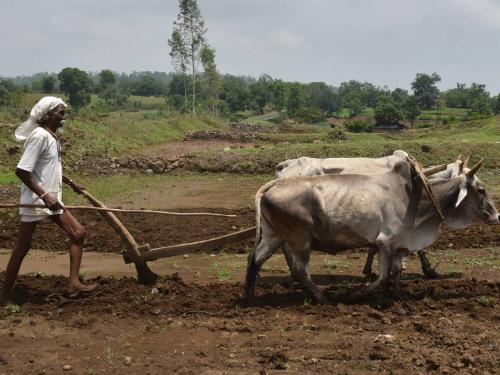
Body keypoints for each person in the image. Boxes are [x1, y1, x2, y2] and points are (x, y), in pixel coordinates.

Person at [0, 96, 96, 306]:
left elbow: (47, 169)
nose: (64, 116)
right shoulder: (39, 136)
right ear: (47, 115)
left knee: (78, 233)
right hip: (37, 200)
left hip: (51, 200)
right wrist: (44, 195)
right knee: (21, 248)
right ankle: (4, 297)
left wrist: (71, 182)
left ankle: (73, 283)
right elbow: (22, 171)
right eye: (60, 113)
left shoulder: (51, 137)